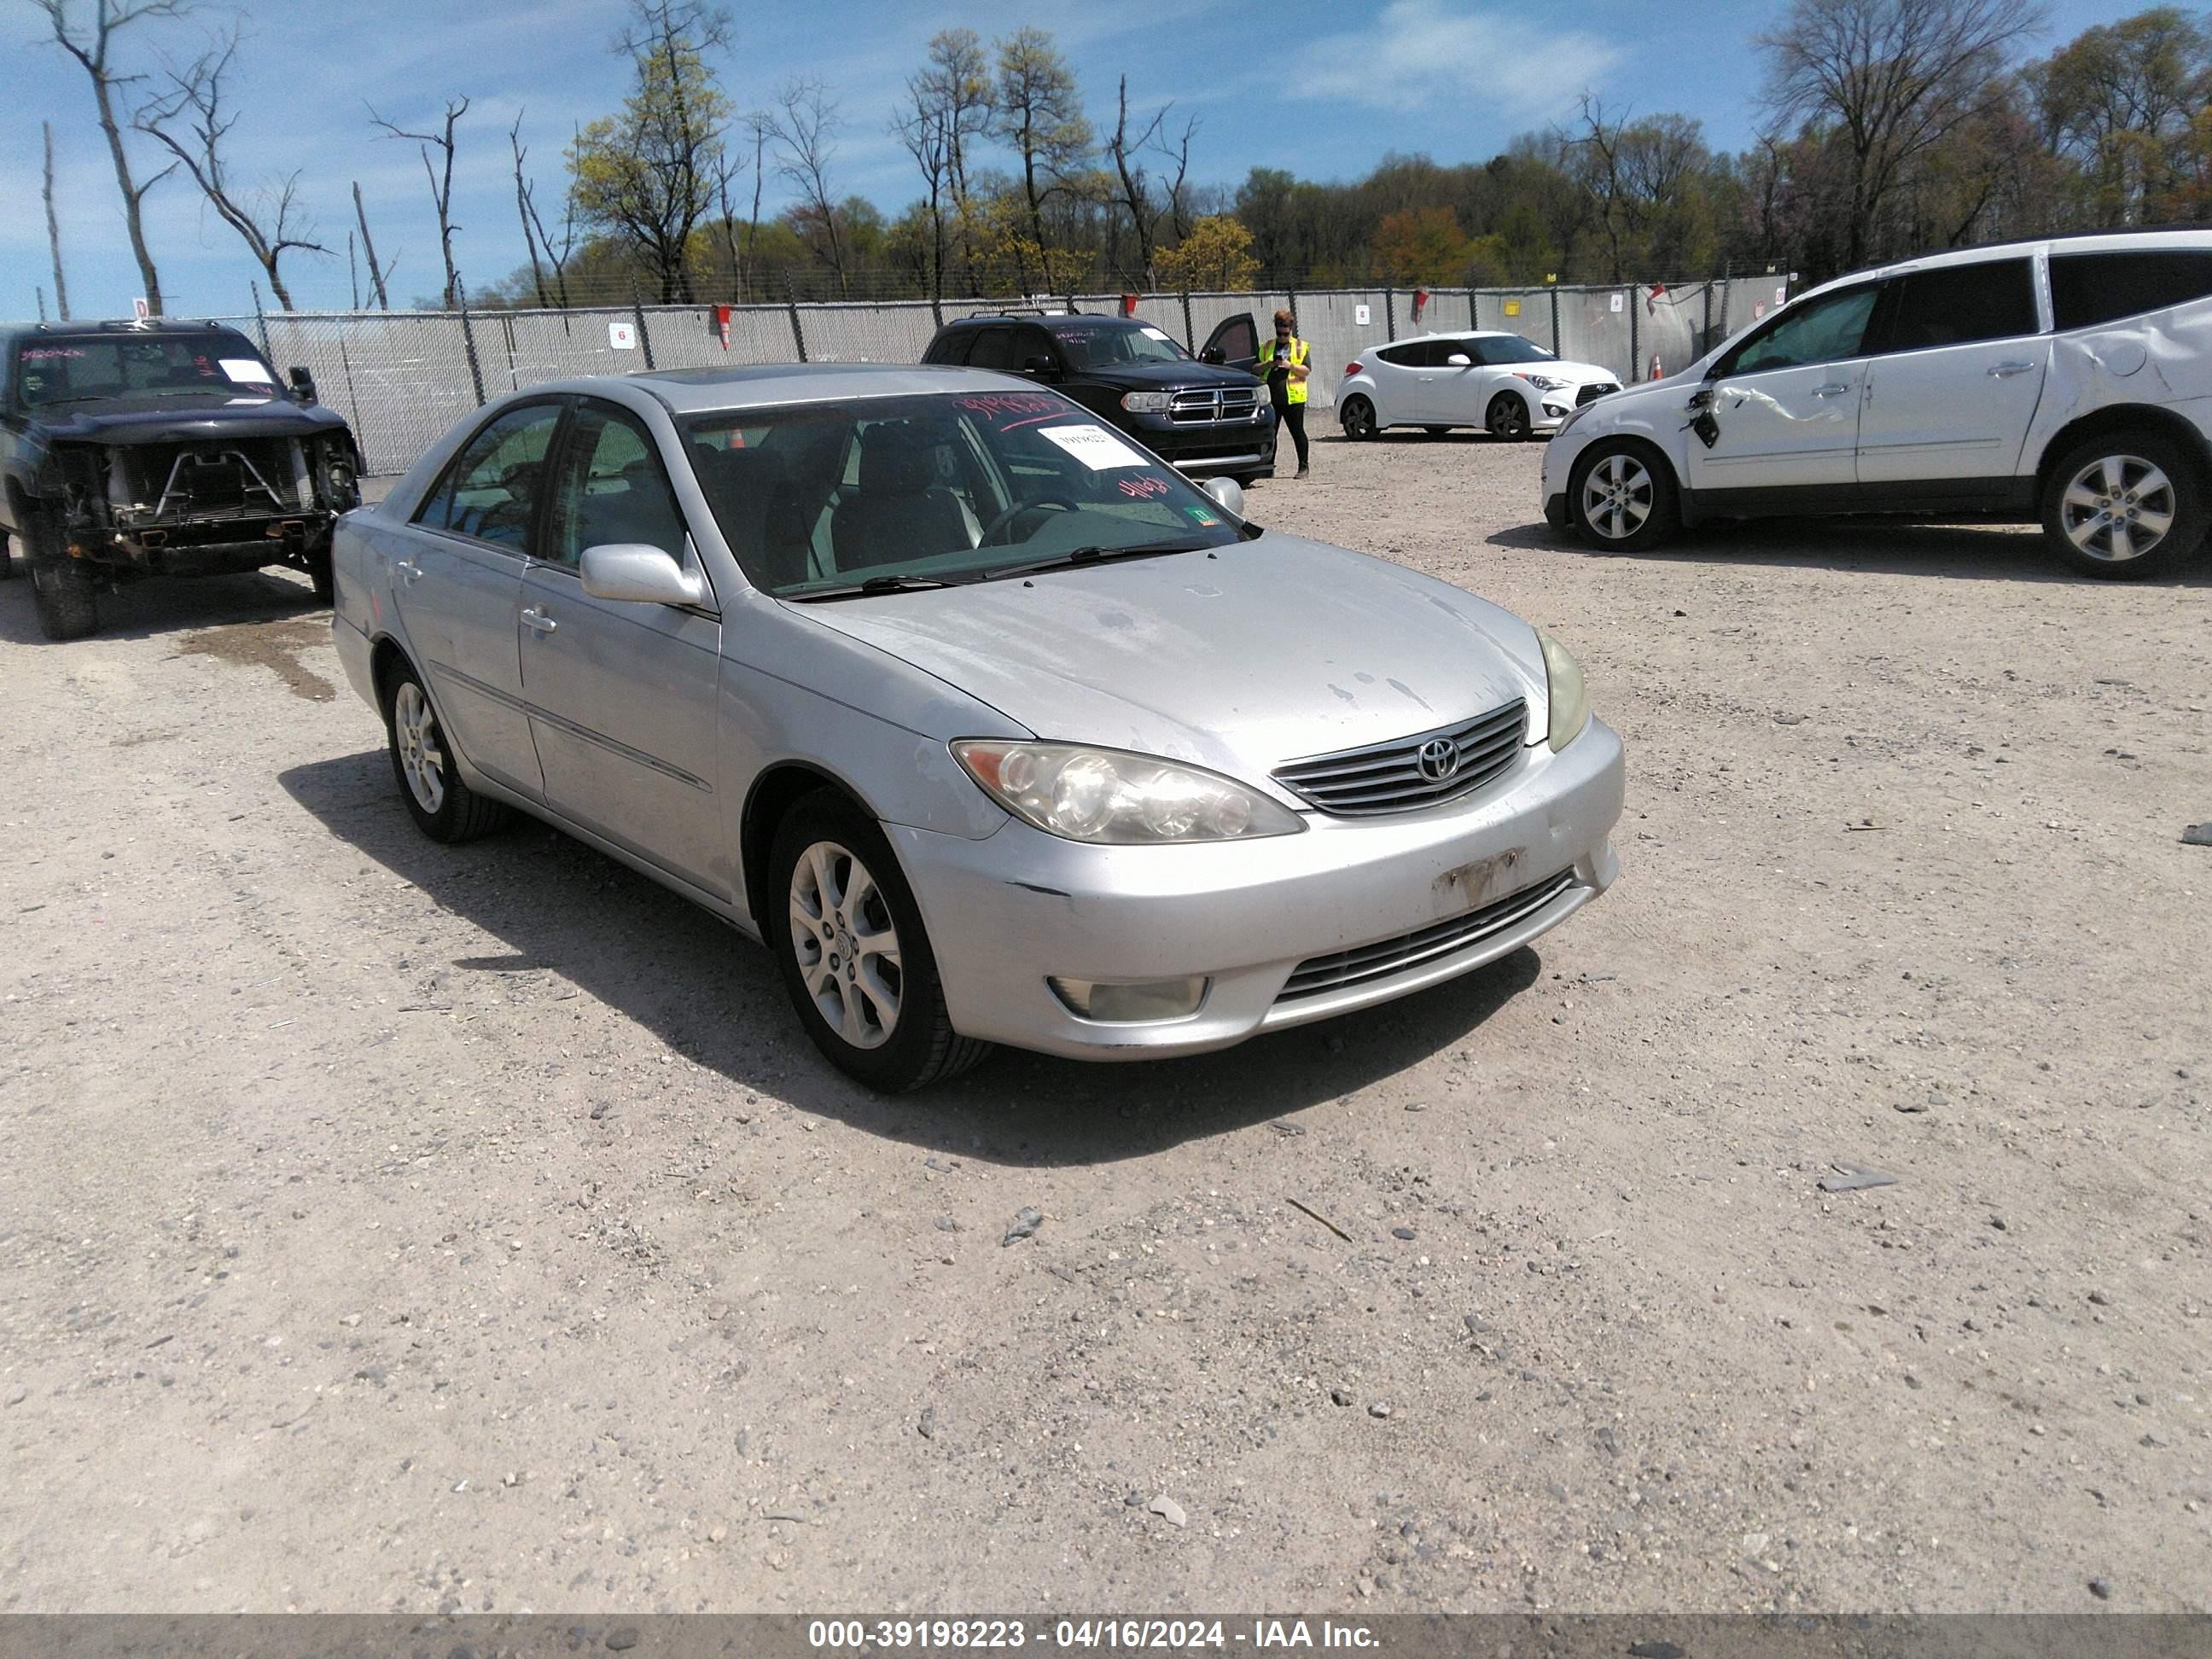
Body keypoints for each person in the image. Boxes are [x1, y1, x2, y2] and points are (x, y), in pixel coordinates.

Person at [1256, 308, 1312, 477]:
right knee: (1270, 433)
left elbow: (1307, 370)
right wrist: (1269, 364)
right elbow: (1254, 368)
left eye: (1285, 334)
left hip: (1294, 398)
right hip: (1272, 397)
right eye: (1279, 334)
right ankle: (1268, 467)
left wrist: (1291, 366)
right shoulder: (1267, 347)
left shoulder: (1301, 347)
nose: (1282, 337)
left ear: (1291, 329)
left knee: (1297, 432)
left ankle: (1303, 466)